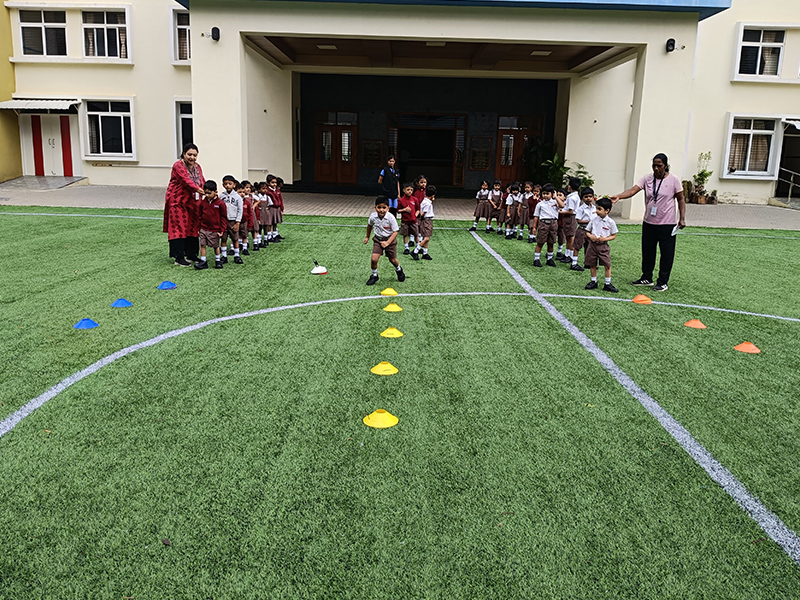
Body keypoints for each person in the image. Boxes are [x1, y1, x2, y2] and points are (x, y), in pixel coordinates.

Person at [611, 152, 686, 292]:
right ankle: (646, 277)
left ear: (666, 166)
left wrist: (681, 218)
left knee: (666, 254)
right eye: (654, 165)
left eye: (659, 165)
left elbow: (681, 199)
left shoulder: (674, 180)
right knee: (648, 251)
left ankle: (662, 282)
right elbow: (633, 190)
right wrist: (619, 196)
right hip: (649, 222)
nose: (656, 168)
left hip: (667, 224)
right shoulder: (647, 179)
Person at [163, 143, 205, 266]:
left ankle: (192, 254)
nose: (192, 157)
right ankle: (179, 257)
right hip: (178, 201)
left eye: (194, 155)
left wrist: (209, 190)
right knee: (179, 227)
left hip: (192, 202)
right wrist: (199, 190)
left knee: (193, 227)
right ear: (184, 154)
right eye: (189, 154)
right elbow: (186, 181)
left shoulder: (197, 167)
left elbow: (202, 180)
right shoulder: (178, 165)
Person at [364, 196, 406, 286]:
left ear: (388, 208)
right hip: (378, 240)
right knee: (374, 259)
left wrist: (388, 242)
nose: (381, 210)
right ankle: (374, 275)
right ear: (375, 207)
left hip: (390, 240)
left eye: (384, 207)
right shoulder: (373, 216)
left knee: (392, 260)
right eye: (379, 207)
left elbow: (395, 231)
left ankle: (399, 269)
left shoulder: (391, 217)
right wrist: (367, 237)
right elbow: (369, 226)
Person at [583, 197, 619, 293]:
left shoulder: (610, 222)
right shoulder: (594, 220)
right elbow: (587, 231)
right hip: (592, 245)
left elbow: (613, 236)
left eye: (599, 209)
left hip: (603, 246)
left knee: (607, 265)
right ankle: (593, 281)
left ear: (607, 210)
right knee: (592, 264)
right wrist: (591, 236)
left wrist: (605, 239)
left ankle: (607, 283)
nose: (597, 211)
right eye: (596, 208)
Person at [193, 180, 228, 270]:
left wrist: (222, 230)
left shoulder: (221, 204)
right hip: (203, 228)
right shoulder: (203, 202)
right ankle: (203, 261)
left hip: (215, 229)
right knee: (202, 244)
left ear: (216, 192)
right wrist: (198, 228)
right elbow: (199, 215)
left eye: (209, 193)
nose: (207, 195)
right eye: (205, 193)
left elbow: (224, 217)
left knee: (216, 246)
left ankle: (218, 260)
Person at [532, 183, 565, 267]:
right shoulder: (540, 204)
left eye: (547, 193)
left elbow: (562, 205)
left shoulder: (555, 202)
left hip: (553, 223)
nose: (545, 195)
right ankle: (536, 259)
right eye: (544, 193)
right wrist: (534, 227)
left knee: (551, 242)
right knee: (540, 242)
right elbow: (536, 216)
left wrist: (556, 196)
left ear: (552, 193)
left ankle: (549, 259)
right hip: (543, 223)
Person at [219, 175, 243, 265]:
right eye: (225, 184)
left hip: (233, 221)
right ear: (223, 185)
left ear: (234, 185)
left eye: (230, 183)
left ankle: (237, 256)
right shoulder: (221, 196)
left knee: (235, 239)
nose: (228, 185)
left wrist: (238, 222)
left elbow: (240, 210)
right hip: (224, 221)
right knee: (223, 239)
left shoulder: (237, 197)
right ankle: (224, 256)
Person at [570, 188, 595, 272]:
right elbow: (578, 220)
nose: (588, 198)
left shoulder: (594, 208)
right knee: (577, 246)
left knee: (589, 247)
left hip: (590, 230)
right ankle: (574, 263)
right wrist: (589, 221)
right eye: (586, 197)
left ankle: (588, 263)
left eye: (590, 196)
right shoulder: (581, 209)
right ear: (582, 198)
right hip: (582, 229)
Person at [561, 178, 581, 263]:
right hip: (570, 217)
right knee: (568, 237)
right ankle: (567, 254)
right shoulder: (574, 196)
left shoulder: (572, 198)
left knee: (571, 237)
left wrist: (560, 212)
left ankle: (570, 255)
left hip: (571, 218)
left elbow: (571, 211)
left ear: (569, 186)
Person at [414, 184, 436, 260]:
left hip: (426, 221)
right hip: (427, 221)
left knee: (427, 237)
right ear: (432, 195)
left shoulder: (425, 201)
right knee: (426, 238)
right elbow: (423, 213)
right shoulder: (427, 203)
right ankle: (416, 250)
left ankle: (425, 253)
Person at [397, 182, 419, 255]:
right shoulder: (401, 200)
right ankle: (406, 248)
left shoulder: (415, 199)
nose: (410, 191)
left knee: (416, 234)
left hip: (413, 221)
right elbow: (398, 210)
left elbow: (418, 209)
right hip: (405, 221)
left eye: (411, 190)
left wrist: (415, 215)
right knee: (405, 234)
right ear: (404, 190)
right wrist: (404, 210)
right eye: (408, 190)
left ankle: (418, 247)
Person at [237, 180, 253, 256]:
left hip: (244, 222)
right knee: (236, 235)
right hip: (237, 221)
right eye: (240, 192)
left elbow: (250, 213)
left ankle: (245, 248)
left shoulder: (247, 202)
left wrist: (250, 223)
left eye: (243, 192)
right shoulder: (235, 202)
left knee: (244, 235)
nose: (242, 194)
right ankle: (234, 248)